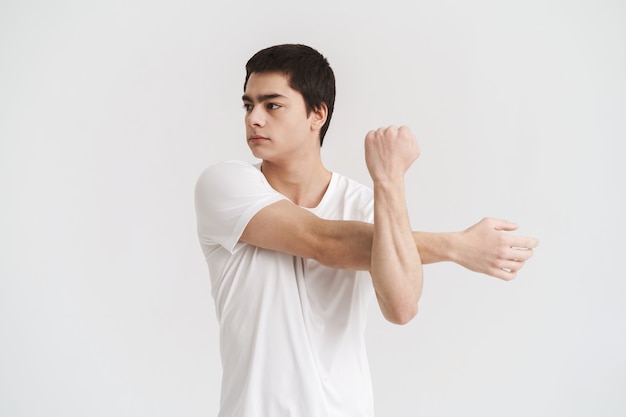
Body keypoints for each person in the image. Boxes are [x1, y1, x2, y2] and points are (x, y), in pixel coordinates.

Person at [194, 44, 538, 417]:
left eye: (271, 105)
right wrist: (456, 246)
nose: (254, 119)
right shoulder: (225, 185)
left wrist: (389, 180)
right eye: (248, 105)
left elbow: (402, 306)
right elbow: (322, 241)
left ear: (317, 114)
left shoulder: (364, 204)